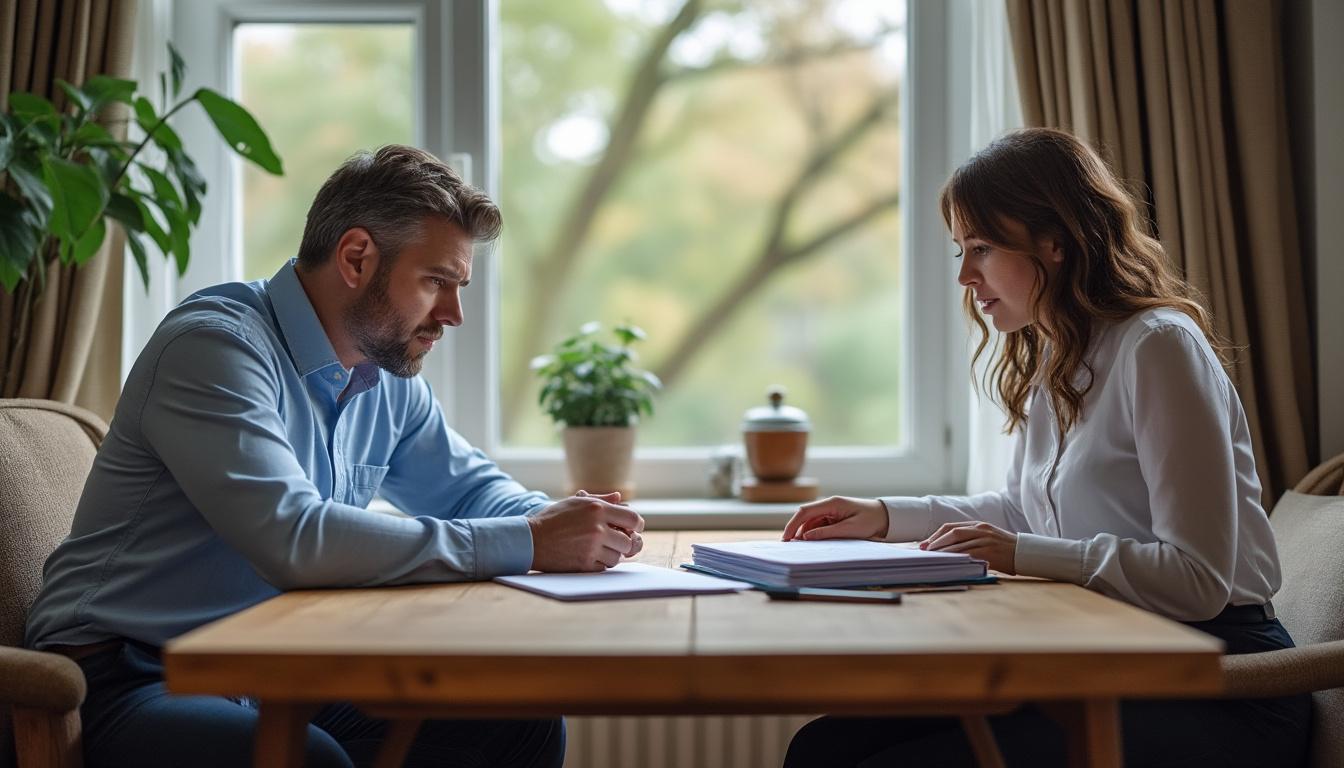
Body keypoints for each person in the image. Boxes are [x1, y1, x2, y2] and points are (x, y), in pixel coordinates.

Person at [24, 145, 645, 768]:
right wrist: (534, 540)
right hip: (126, 676)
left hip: (268, 668)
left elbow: (472, 491)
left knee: (517, 719)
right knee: (311, 760)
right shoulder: (215, 348)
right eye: (437, 282)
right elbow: (294, 538)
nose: (453, 315)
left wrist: (574, 524)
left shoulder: (388, 380)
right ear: (355, 258)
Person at [779, 128, 1311, 767]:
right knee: (823, 749)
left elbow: (1197, 580)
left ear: (1055, 241)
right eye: (960, 252)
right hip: (1103, 663)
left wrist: (1023, 553)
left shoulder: (1158, 347)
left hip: (1218, 683)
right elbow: (1020, 510)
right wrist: (885, 516)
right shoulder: (1058, 357)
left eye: (981, 248)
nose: (966, 276)